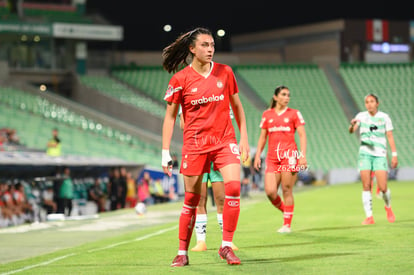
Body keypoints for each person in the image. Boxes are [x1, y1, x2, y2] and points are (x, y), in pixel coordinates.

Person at [161, 27, 249, 267]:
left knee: (233, 188)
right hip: (195, 145)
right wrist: (165, 151)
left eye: (212, 45)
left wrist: (244, 139)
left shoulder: (225, 72)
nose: (210, 49)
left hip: (224, 141)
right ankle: (182, 252)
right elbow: (170, 117)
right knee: (191, 199)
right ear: (192, 49)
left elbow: (238, 107)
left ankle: (227, 246)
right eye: (204, 45)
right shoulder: (180, 80)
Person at [178, 106, 238, 252]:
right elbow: (183, 124)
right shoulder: (190, 96)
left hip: (218, 152)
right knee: (200, 199)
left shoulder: (220, 96)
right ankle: (201, 241)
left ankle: (227, 241)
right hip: (198, 152)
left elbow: (227, 121)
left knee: (221, 198)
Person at [253, 85, 307, 234]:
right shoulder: (267, 115)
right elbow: (263, 137)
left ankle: (286, 224)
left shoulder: (294, 114)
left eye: (288, 95)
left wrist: (302, 156)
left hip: (289, 156)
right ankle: (286, 210)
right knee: (270, 192)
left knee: (286, 189)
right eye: (283, 94)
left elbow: (302, 135)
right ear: (275, 97)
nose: (287, 98)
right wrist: (258, 154)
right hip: (272, 158)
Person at [349, 93, 397, 225]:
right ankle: (369, 217)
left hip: (380, 154)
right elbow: (352, 130)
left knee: (383, 187)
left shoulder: (384, 117)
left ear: (377, 103)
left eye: (371, 101)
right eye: (367, 102)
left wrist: (394, 154)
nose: (369, 104)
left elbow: (390, 136)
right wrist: (352, 125)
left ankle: (388, 206)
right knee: (366, 185)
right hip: (365, 154)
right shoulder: (360, 116)